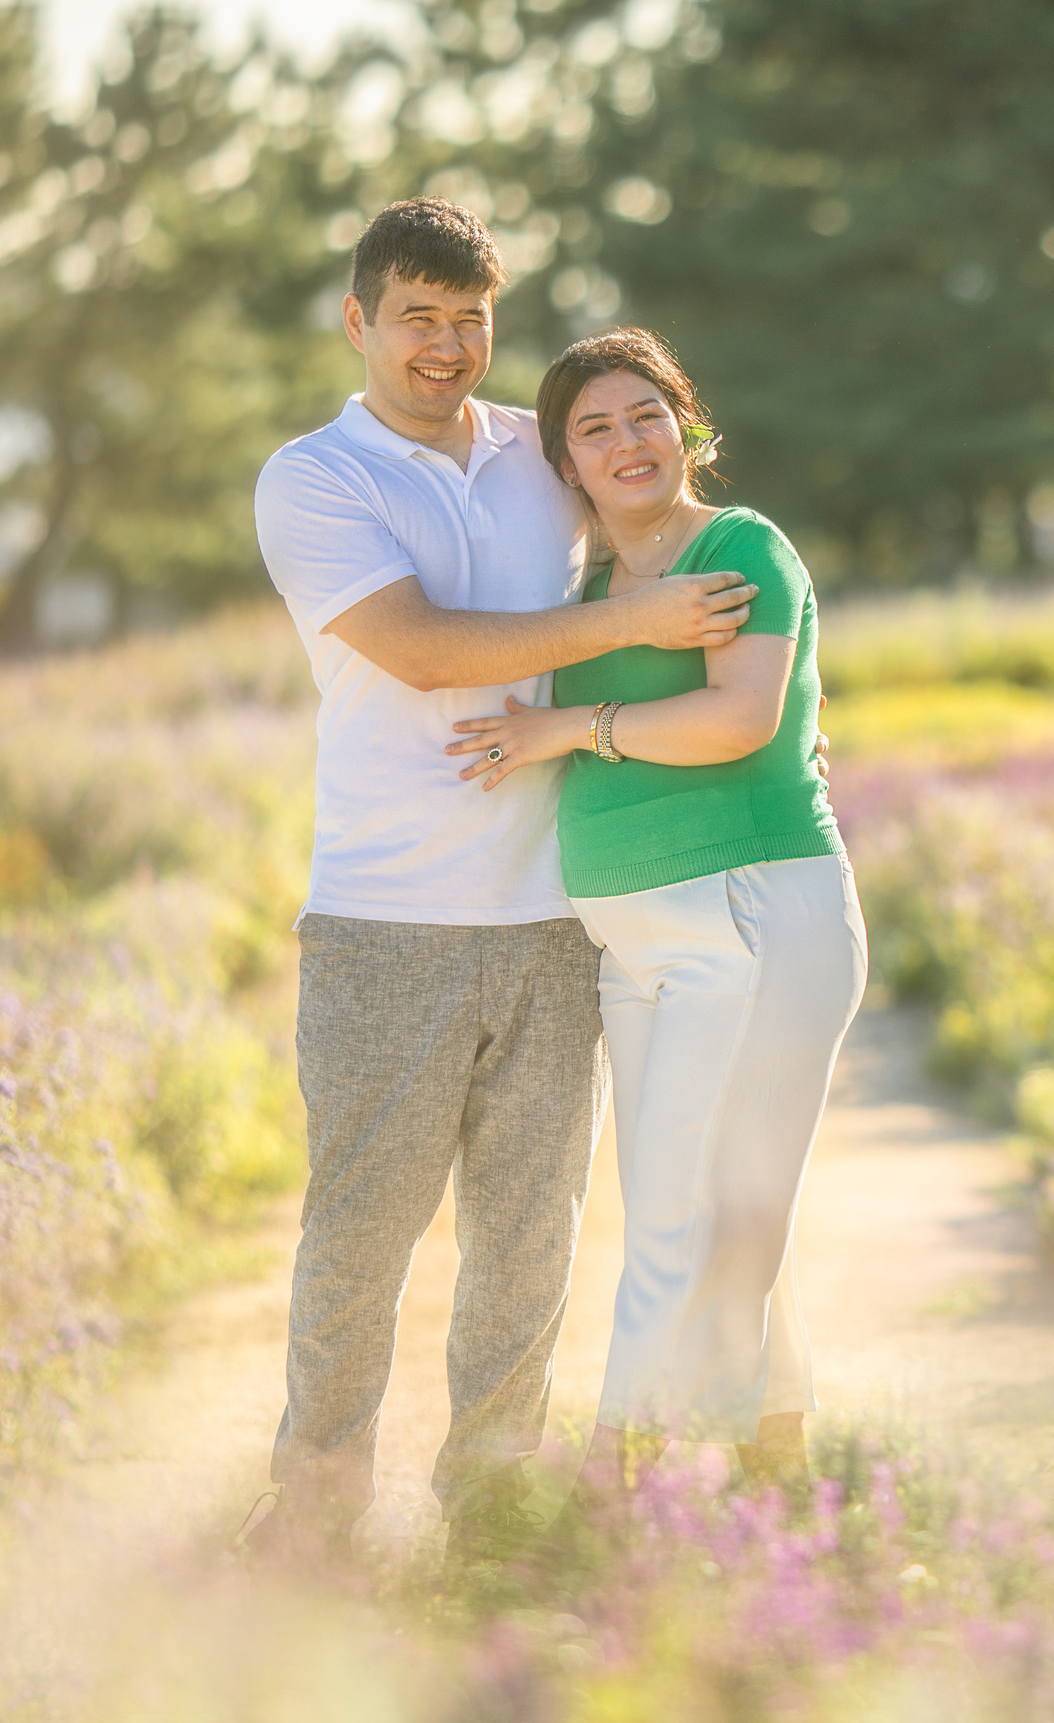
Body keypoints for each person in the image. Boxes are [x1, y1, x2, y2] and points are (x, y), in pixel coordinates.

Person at [245, 198, 762, 1563]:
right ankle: (313, 1513)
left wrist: (757, 685)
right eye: (418, 316)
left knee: (529, 1245)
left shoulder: (544, 455)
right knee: (361, 1238)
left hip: (555, 911)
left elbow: (672, 528)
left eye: (471, 318)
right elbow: (417, 647)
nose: (447, 343)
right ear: (359, 321)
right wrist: (628, 620)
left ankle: (490, 1507)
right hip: (383, 918)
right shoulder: (313, 477)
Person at [446, 326, 863, 1503]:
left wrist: (573, 730)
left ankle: (621, 1472)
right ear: (566, 467)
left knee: (688, 1203)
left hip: (753, 906)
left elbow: (737, 721)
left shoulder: (739, 547)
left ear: (688, 427)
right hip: (632, 938)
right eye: (594, 428)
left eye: (646, 415)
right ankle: (777, 1457)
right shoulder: (583, 594)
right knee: (713, 1191)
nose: (626, 442)